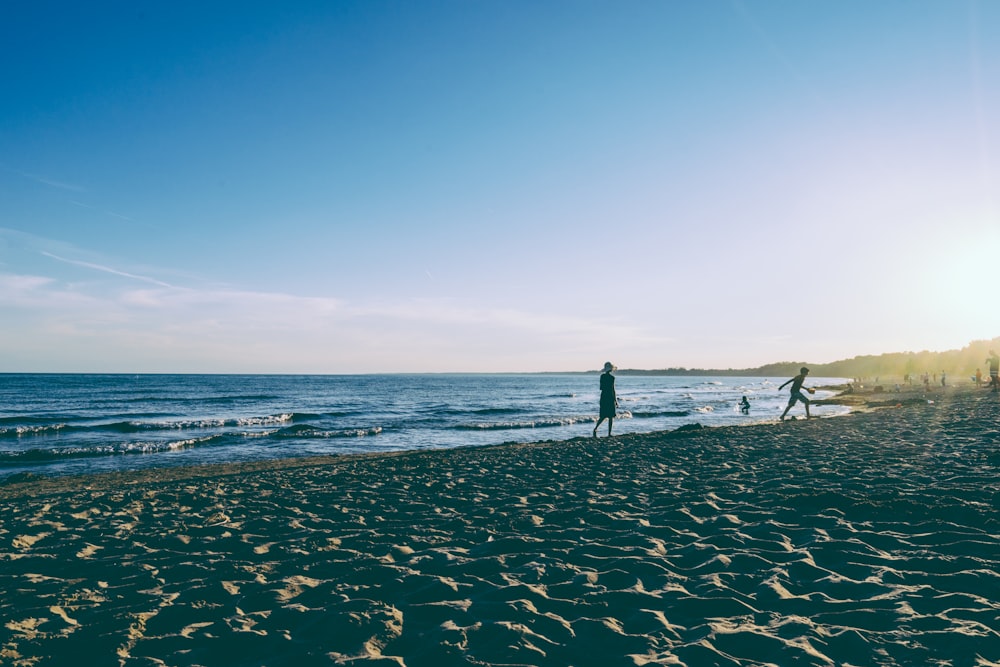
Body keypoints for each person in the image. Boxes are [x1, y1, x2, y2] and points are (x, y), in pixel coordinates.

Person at [593, 362, 617, 436]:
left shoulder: (602, 376)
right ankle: (609, 433)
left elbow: (601, 388)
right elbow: (613, 389)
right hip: (610, 396)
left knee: (603, 415)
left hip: (604, 396)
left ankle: (595, 428)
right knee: (611, 416)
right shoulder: (612, 378)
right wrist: (615, 400)